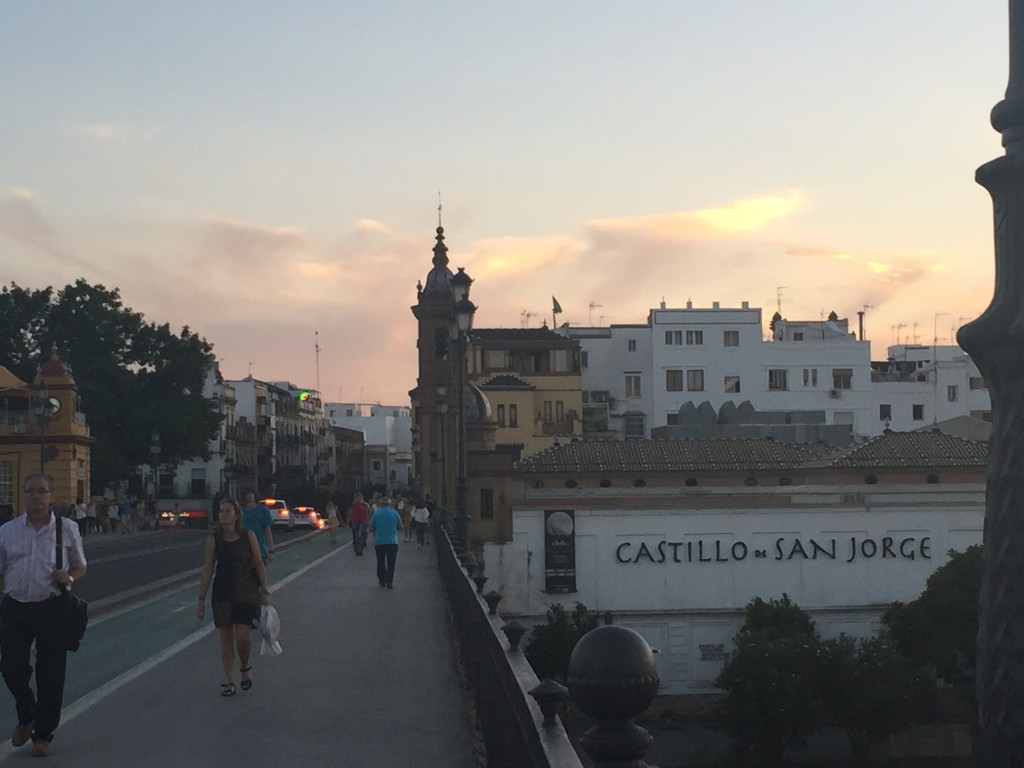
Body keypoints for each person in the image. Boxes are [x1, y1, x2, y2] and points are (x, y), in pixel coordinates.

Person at [0, 472, 87, 757]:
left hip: (52, 606)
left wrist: (69, 578)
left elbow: (80, 566)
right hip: (16, 605)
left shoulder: (67, 528)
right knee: (11, 668)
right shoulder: (8, 530)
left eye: (42, 491)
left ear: (51, 496)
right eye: (31, 491)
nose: (36, 496)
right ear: (24, 495)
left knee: (51, 672)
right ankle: (27, 713)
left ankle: (42, 734)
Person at [196, 498, 271, 697]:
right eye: (221, 511)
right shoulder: (214, 540)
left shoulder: (248, 536)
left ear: (236, 515)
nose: (224, 514)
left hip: (246, 592)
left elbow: (258, 563)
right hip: (223, 591)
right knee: (225, 638)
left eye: (228, 511)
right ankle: (230, 681)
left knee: (242, 637)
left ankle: (244, 667)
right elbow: (207, 570)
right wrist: (201, 599)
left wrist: (265, 589)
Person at [368, 496, 402, 589]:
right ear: (390, 504)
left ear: (380, 504)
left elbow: (371, 527)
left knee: (380, 561)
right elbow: (400, 526)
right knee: (391, 562)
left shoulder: (377, 513)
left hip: (380, 541)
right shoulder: (395, 513)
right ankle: (389, 581)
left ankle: (382, 580)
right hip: (392, 541)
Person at [240, 490, 275, 564]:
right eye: (247, 495)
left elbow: (268, 531)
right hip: (243, 550)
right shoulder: (241, 512)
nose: (249, 496)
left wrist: (271, 549)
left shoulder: (263, 510)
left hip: (260, 549)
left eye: (251, 494)